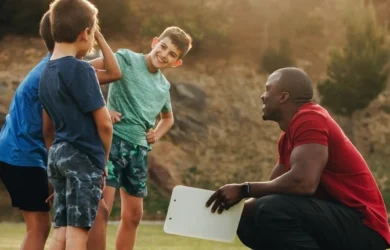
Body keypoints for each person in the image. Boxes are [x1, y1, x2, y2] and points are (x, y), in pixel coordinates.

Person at [206, 67, 390, 250]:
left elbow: (303, 183)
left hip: (365, 227)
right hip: (338, 223)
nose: (263, 96)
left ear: (284, 97)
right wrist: (236, 207)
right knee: (247, 217)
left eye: (268, 89)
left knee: (270, 209)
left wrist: (244, 189)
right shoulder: (288, 138)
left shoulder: (311, 118)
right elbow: (272, 190)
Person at [89, 26, 192, 250]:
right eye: (163, 47)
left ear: (176, 62)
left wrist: (157, 132)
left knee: (134, 215)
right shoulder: (126, 58)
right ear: (155, 42)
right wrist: (101, 111)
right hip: (111, 144)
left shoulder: (164, 86)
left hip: (138, 151)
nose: (164, 55)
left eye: (172, 54)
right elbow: (83, 74)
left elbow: (168, 118)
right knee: (101, 211)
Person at [39, 0, 119, 249]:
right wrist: (102, 161)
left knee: (61, 231)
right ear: (85, 33)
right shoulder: (81, 71)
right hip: (83, 158)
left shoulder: (45, 72)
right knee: (78, 233)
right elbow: (105, 124)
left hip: (58, 157)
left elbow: (49, 127)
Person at [0, 11, 54, 250]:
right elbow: (49, 130)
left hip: (16, 152)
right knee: (39, 228)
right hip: (23, 156)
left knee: (39, 227)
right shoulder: (52, 74)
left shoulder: (51, 64)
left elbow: (103, 70)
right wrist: (55, 173)